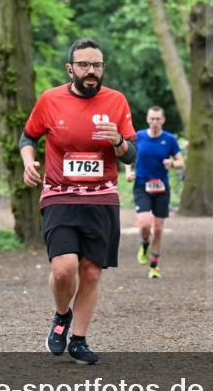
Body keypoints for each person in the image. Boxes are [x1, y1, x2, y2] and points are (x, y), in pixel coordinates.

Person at [19, 38, 137, 364]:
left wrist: (117, 142)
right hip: (59, 194)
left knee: (91, 273)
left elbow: (130, 154)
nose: (91, 71)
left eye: (97, 65)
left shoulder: (116, 101)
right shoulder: (50, 100)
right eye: (84, 65)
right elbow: (28, 136)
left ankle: (79, 340)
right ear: (70, 68)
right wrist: (28, 161)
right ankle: (61, 316)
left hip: (102, 198)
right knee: (64, 268)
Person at [125, 106, 184, 279]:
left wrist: (172, 164)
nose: (155, 122)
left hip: (161, 188)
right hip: (142, 186)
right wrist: (128, 172)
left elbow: (181, 162)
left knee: (158, 228)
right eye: (152, 119)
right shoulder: (139, 137)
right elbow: (128, 155)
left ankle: (154, 266)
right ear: (147, 119)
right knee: (144, 223)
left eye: (158, 119)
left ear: (163, 120)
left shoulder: (169, 139)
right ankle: (144, 244)